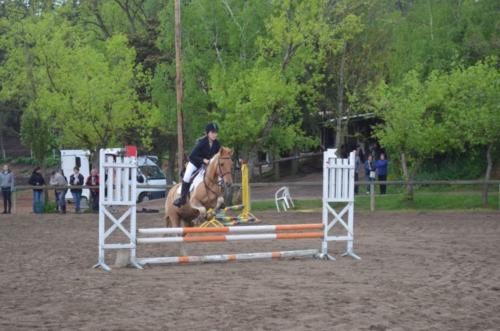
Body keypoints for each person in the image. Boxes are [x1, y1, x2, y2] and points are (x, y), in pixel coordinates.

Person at [173, 123, 221, 207]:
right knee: (187, 177)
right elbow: (192, 156)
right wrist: (203, 160)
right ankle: (182, 198)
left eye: (216, 132)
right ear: (208, 133)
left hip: (207, 165)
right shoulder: (202, 143)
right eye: (212, 132)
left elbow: (219, 155)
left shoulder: (216, 144)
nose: (214, 134)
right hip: (194, 163)